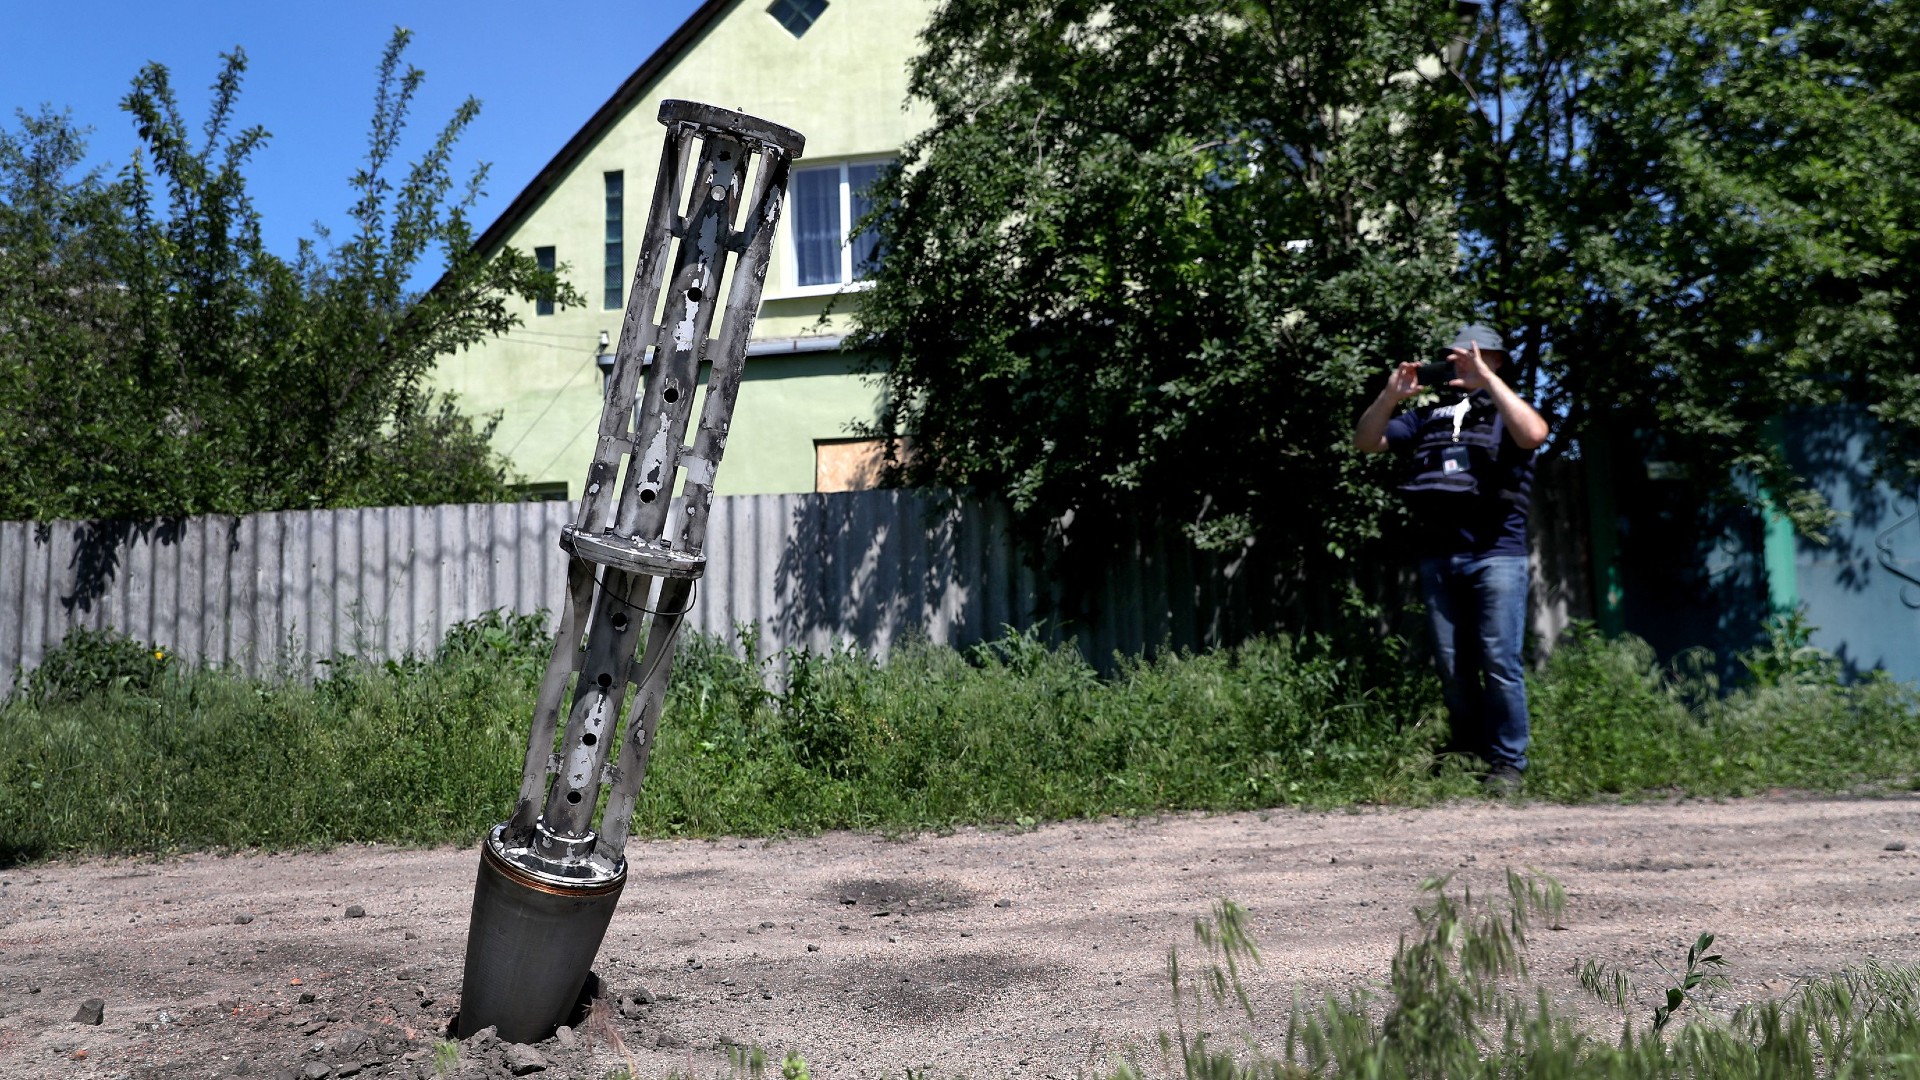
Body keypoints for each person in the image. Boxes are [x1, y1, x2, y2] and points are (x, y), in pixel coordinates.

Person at [1351, 324, 1550, 794]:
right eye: (1452, 357)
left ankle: (1508, 764)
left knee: (1499, 660)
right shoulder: (1428, 416)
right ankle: (1467, 752)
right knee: (1453, 664)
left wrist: (1487, 379)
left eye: (1470, 356)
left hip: (1496, 555)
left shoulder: (1506, 411)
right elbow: (1365, 441)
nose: (1457, 363)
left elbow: (1534, 434)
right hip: (1439, 557)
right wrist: (1389, 396)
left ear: (1495, 360)